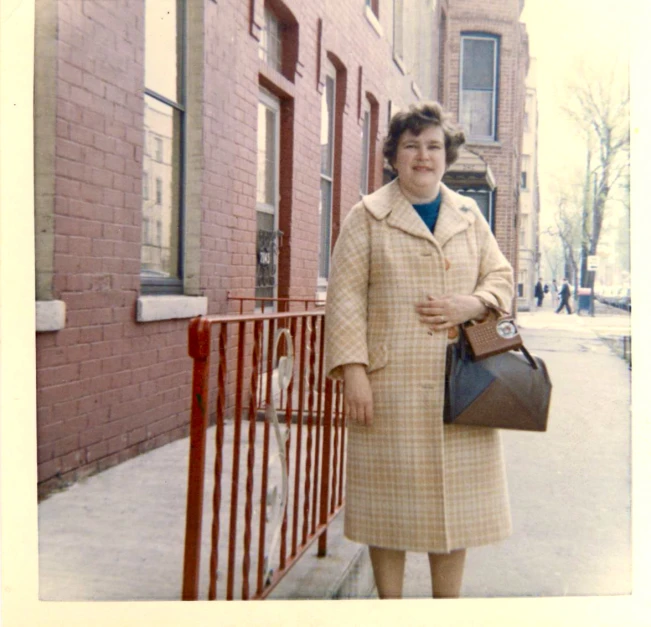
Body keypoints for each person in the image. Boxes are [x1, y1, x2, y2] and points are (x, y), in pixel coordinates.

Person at [324, 102, 514, 600]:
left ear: (447, 156)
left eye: (433, 146)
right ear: (393, 156)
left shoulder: (470, 216)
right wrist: (355, 373)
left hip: (463, 386)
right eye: (411, 146)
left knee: (455, 509)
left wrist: (470, 303)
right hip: (390, 389)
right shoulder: (366, 217)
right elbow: (343, 300)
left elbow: (501, 279)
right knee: (389, 511)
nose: (423, 156)